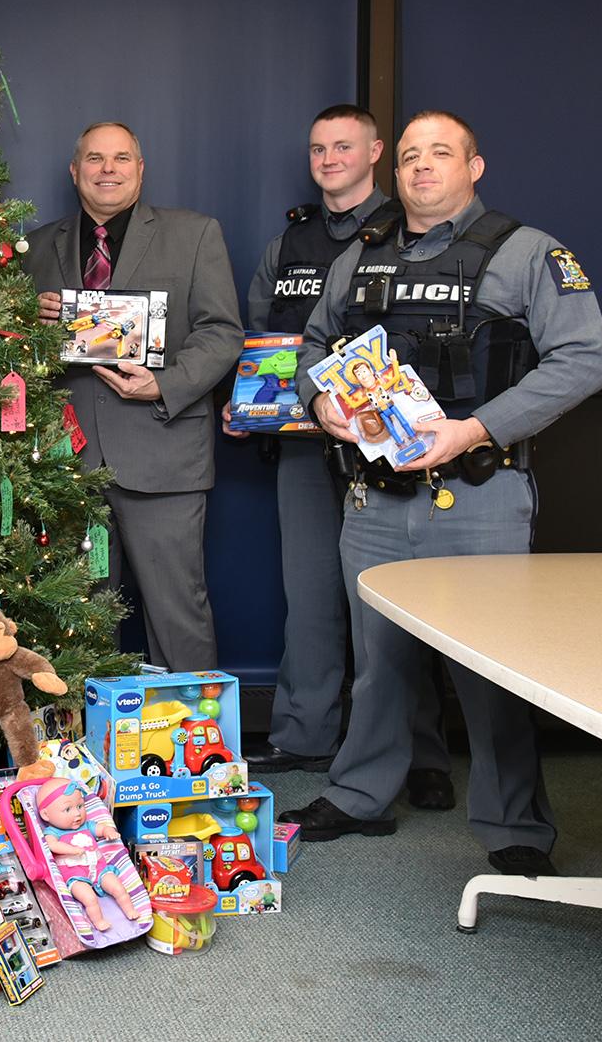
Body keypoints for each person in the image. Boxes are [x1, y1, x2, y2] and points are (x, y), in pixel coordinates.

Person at [279, 111, 602, 875]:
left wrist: (475, 429)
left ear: (474, 165)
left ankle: (512, 825)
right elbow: (313, 346)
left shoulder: (529, 253)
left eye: (439, 154)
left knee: (491, 672)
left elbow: (583, 359)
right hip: (373, 500)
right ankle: (360, 792)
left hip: (478, 492)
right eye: (408, 157)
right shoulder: (362, 256)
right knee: (378, 662)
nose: (421, 167)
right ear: (393, 173)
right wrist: (318, 402)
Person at [228, 105, 454, 811]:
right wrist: (247, 404)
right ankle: (304, 731)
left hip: (388, 444)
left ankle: (420, 753)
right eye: (317, 148)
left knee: (400, 603)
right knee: (311, 592)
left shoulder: (406, 234)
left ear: (376, 153)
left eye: (343, 146)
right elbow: (264, 335)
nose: (327, 158)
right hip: (302, 439)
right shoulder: (289, 243)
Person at [31, 122, 243, 671]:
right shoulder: (36, 246)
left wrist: (164, 382)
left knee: (178, 613)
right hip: (69, 463)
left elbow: (222, 333)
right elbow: (9, 351)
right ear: (74, 171)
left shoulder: (194, 234)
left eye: (121, 158)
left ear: (140, 169)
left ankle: (198, 751)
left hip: (163, 454)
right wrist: (29, 325)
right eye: (95, 159)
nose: (108, 169)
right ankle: (84, 747)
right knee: (79, 615)